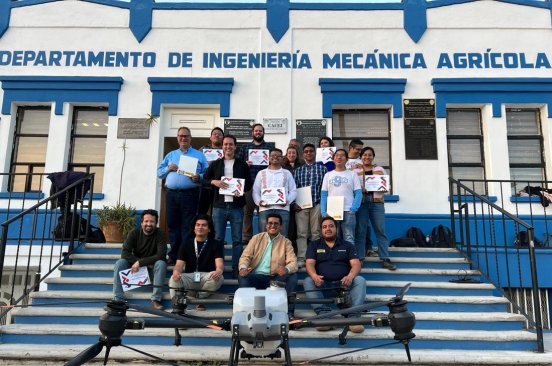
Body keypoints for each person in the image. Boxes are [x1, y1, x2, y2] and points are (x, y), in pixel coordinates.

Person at [303, 216, 365, 333]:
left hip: (344, 285)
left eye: (331, 226)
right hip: (323, 285)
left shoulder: (347, 245)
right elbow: (310, 264)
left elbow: (356, 264)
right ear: (321, 230)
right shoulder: (314, 245)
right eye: (324, 227)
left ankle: (354, 318)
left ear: (336, 228)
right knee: (308, 280)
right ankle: (325, 317)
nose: (328, 229)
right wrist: (314, 276)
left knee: (360, 280)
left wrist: (350, 276)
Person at [157, 126, 209, 264]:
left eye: (186, 136)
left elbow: (208, 174)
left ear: (190, 138)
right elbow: (159, 173)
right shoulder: (171, 155)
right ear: (177, 138)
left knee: (188, 226)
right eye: (181, 136)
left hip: (190, 195)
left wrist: (199, 177)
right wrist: (169, 168)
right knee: (173, 225)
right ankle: (174, 256)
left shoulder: (199, 155)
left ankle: (185, 255)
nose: (183, 138)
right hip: (172, 195)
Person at [204, 135, 252, 277]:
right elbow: (205, 180)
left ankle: (236, 269)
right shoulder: (215, 164)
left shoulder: (242, 165)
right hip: (219, 206)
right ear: (222, 146)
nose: (228, 147)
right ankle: (218, 268)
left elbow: (249, 183)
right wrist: (215, 182)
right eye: (225, 144)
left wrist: (241, 190)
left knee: (237, 240)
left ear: (235, 146)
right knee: (218, 239)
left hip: (237, 206)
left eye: (231, 144)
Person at [238, 213, 298, 317]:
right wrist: (243, 268)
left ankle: (289, 313)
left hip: (275, 279)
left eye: (276, 223)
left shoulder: (286, 242)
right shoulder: (256, 238)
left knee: (292, 276)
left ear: (280, 226)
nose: (273, 226)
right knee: (242, 276)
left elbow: (293, 262)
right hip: (256, 277)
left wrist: (286, 269)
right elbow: (245, 256)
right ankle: (247, 310)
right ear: (266, 225)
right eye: (270, 223)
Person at [112, 209, 168, 310]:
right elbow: (125, 253)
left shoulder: (160, 234)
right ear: (142, 223)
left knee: (161, 263)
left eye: (152, 221)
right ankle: (118, 299)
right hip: (136, 271)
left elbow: (161, 255)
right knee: (120, 262)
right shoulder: (134, 233)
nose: (149, 224)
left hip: (152, 270)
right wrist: (138, 263)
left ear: (156, 223)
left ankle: (155, 299)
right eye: (146, 221)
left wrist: (140, 262)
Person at [169, 214, 224, 310]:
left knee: (219, 278)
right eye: (197, 225)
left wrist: (219, 271)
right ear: (194, 228)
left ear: (209, 229)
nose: (200, 227)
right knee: (173, 279)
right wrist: (176, 272)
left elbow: (219, 264)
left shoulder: (216, 244)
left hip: (206, 277)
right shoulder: (186, 243)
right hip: (190, 277)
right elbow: (179, 264)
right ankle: (177, 304)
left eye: (204, 225)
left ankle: (198, 298)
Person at [355, 146, 396, 270]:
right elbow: (351, 186)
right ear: (360, 157)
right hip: (361, 203)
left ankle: (385, 258)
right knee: (360, 231)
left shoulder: (380, 169)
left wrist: (382, 187)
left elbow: (387, 187)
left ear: (373, 157)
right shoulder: (354, 171)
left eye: (369, 155)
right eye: (364, 155)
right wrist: (359, 189)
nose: (367, 157)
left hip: (377, 203)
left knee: (380, 231)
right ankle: (360, 258)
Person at [236, 123, 275, 244]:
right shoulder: (245, 147)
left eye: (260, 131)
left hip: (265, 186)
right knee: (247, 212)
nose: (258, 133)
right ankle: (247, 238)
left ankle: (263, 237)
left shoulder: (269, 147)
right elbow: (237, 162)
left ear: (263, 133)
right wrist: (244, 164)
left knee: (263, 212)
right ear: (252, 133)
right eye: (256, 131)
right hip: (249, 184)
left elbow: (275, 161)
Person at [293, 143, 327, 268]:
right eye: (306, 151)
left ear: (315, 153)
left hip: (317, 204)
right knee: (301, 233)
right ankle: (301, 258)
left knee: (316, 233)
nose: (309, 153)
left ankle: (315, 257)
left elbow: (326, 189)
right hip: (301, 206)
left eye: (311, 151)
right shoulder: (298, 171)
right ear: (303, 154)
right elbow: (293, 189)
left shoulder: (322, 169)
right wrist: (293, 204)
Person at [320, 149, 362, 246]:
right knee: (334, 238)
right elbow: (324, 194)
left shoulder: (352, 174)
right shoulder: (328, 175)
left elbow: (358, 193)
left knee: (349, 238)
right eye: (337, 155)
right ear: (333, 158)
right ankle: (336, 260)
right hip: (332, 212)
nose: (339, 157)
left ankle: (350, 260)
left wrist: (353, 209)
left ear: (346, 159)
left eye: (342, 155)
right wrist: (323, 211)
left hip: (348, 211)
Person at [252, 148, 297, 236]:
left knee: (282, 236)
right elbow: (255, 190)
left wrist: (287, 201)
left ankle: (281, 250)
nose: (275, 157)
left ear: (282, 158)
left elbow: (293, 190)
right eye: (272, 156)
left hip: (283, 209)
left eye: (278, 156)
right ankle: (264, 250)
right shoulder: (261, 173)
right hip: (265, 209)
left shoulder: (287, 173)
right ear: (268, 158)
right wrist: (259, 202)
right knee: (264, 236)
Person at [198, 127, 225, 214]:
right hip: (205, 185)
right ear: (210, 137)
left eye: (219, 134)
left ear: (223, 138)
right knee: (201, 212)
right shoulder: (203, 150)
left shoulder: (226, 150)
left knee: (217, 214)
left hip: (220, 187)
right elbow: (196, 164)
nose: (217, 135)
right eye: (215, 134)